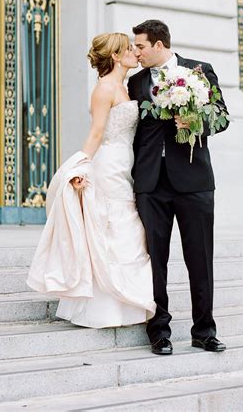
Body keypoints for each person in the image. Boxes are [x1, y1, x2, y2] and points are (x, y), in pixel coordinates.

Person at [27, 32, 155, 328]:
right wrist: (79, 169)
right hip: (109, 166)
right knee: (115, 228)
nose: (135, 53)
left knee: (128, 230)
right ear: (115, 56)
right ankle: (109, 307)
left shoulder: (126, 86)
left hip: (126, 165)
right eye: (129, 49)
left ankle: (129, 304)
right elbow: (97, 134)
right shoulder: (104, 89)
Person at [127, 19, 229, 355]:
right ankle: (159, 331)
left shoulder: (200, 71)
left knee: (200, 259)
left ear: (158, 45)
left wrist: (197, 121)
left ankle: (204, 330)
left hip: (194, 181)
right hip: (150, 183)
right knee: (154, 261)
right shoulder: (136, 82)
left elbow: (222, 117)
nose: (135, 52)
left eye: (140, 46)